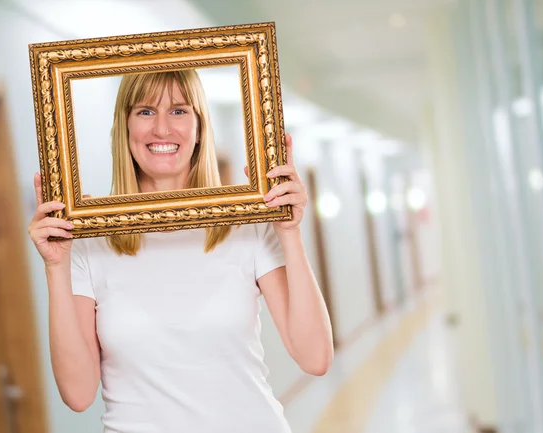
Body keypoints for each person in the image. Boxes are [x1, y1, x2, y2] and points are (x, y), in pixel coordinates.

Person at [28, 69, 334, 433]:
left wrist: (289, 232)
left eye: (178, 111)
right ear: (124, 127)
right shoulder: (90, 239)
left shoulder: (247, 225)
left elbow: (315, 357)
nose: (161, 129)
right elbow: (78, 395)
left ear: (200, 126)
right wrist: (55, 268)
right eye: (144, 111)